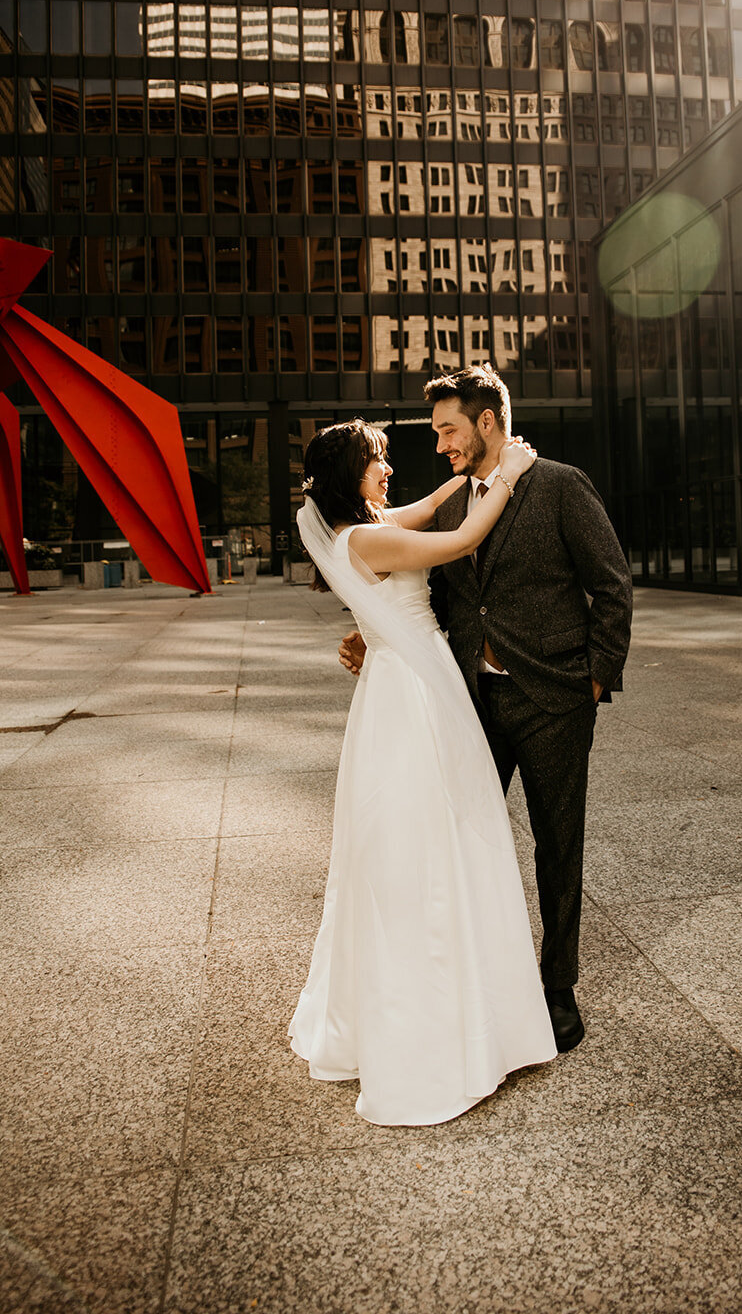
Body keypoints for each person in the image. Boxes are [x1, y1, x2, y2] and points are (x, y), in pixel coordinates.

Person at [341, 364, 633, 1054]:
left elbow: (612, 589)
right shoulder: (448, 506)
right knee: (466, 841)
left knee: (557, 844)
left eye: (448, 429)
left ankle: (556, 987)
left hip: (554, 699)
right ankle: (478, 979)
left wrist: (590, 683)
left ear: (486, 421)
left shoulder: (560, 486)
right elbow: (441, 597)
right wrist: (372, 629)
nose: (440, 444)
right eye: (437, 431)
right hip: (469, 702)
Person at [291, 419, 557, 1127]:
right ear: (350, 476)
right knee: (429, 838)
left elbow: (433, 507)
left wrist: (472, 475)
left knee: (438, 831)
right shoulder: (365, 538)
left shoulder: (368, 526)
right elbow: (458, 540)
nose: (387, 470)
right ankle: (434, 1032)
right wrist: (507, 476)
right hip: (412, 692)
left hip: (404, 678)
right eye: (375, 462)